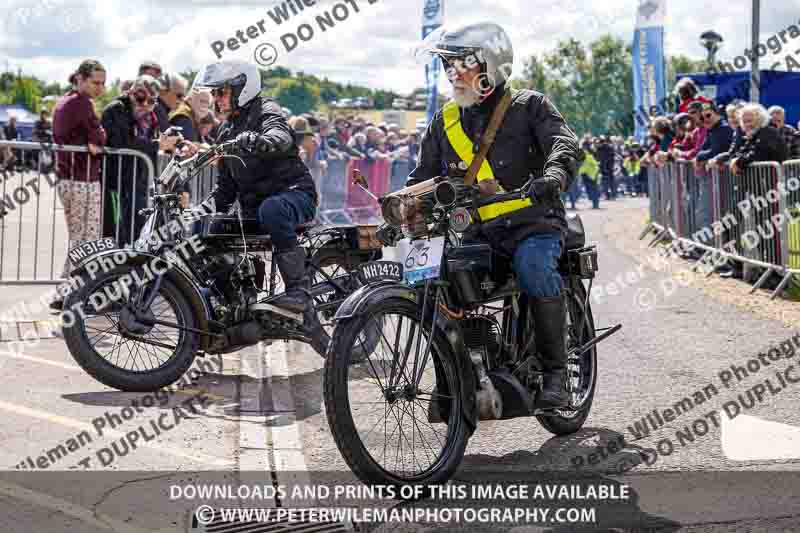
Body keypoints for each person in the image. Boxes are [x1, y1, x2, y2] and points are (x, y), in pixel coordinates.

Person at [410, 22, 581, 408]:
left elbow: (564, 144)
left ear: (490, 66)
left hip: (533, 225)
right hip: (479, 232)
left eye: (460, 65)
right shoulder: (446, 120)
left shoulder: (529, 106)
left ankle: (556, 374)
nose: (452, 75)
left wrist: (554, 174)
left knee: (534, 267)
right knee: (436, 280)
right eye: (448, 66)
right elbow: (422, 176)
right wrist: (403, 204)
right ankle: (459, 376)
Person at [185, 60, 318, 318]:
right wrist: (197, 213)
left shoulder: (266, 109)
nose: (216, 99)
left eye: (221, 92)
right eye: (214, 93)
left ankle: (298, 291)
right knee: (204, 226)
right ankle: (228, 298)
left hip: (294, 194)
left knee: (272, 208)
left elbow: (280, 134)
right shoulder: (226, 132)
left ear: (241, 88)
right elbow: (224, 193)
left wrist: (262, 140)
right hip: (254, 210)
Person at [50, 59, 108, 309]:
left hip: (70, 178)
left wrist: (96, 141)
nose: (100, 88)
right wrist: (97, 138)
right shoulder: (81, 103)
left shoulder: (65, 101)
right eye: (95, 82)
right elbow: (98, 137)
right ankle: (73, 295)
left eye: (103, 83)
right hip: (81, 178)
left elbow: (95, 141)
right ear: (81, 80)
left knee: (80, 238)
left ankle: (67, 292)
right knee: (87, 239)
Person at [101, 75, 181, 245]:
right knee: (117, 232)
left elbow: (154, 140)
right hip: (117, 182)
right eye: (140, 98)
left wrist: (176, 142)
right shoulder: (116, 109)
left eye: (151, 101)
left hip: (139, 182)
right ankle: (114, 269)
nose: (144, 104)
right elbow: (123, 143)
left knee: (137, 232)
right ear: (130, 93)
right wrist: (157, 145)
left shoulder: (151, 116)